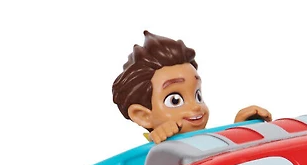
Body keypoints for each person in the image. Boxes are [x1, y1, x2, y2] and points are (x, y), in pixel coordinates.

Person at [112, 31, 272, 144]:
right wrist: (160, 141)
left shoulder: (204, 140)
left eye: (197, 95)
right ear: (143, 115)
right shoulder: (151, 157)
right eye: (175, 100)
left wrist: (239, 128)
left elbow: (221, 154)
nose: (196, 106)